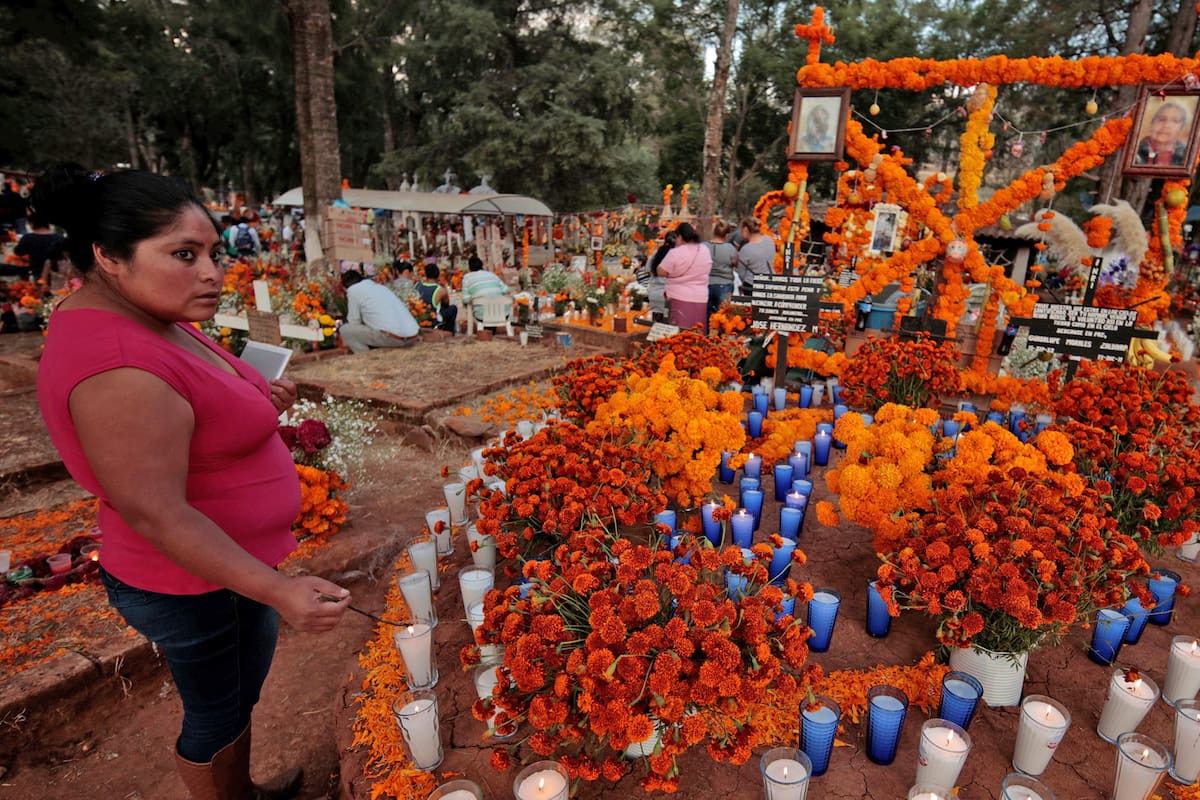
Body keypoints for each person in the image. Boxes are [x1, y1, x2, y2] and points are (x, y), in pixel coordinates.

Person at [31, 162, 351, 800]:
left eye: (212, 253)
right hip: (193, 582)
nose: (212, 272)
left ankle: (241, 790)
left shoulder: (151, 316)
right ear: (108, 255)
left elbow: (197, 405)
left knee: (235, 698)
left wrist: (259, 400)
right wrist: (278, 590)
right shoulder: (116, 368)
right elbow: (156, 512)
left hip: (226, 570)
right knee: (219, 710)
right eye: (184, 254)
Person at [340, 268, 420, 352]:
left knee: (346, 330)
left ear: (345, 287)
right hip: (413, 337)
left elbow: (354, 322)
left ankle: (365, 356)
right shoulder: (381, 287)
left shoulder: (353, 290)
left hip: (394, 339)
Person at [657, 222, 712, 331]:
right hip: (701, 297)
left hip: (679, 296)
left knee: (679, 332)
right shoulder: (704, 249)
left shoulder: (675, 252)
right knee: (697, 331)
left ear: (680, 236)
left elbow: (661, 271)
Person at [13, 214, 66, 289]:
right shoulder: (59, 237)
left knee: (44, 292)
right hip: (58, 272)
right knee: (60, 292)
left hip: (38, 272)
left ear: (32, 224)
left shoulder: (28, 238)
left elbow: (18, 252)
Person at [1134, 101, 1189, 167]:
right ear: (1152, 124)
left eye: (1175, 121)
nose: (1166, 125)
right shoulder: (1134, 149)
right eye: (1161, 119)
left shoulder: (1186, 155)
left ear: (1181, 129)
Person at [638, 230, 676, 322]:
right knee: (669, 325)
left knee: (656, 324)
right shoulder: (676, 255)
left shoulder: (656, 253)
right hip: (670, 296)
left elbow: (648, 270)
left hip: (654, 294)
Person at [460, 255, 508, 325]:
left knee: (471, 306)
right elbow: (506, 290)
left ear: (469, 268)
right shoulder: (492, 275)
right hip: (503, 314)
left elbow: (465, 299)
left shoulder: (466, 278)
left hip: (482, 316)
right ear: (482, 266)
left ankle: (477, 328)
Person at [736, 218, 776, 296]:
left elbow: (741, 273)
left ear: (745, 230)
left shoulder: (746, 249)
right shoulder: (769, 240)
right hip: (770, 282)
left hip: (752, 285)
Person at [706, 220, 737, 317]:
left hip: (705, 283)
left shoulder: (704, 246)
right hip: (724, 284)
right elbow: (735, 263)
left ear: (714, 232)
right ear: (727, 235)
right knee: (722, 316)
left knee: (705, 315)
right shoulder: (730, 248)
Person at [416, 263, 458, 335]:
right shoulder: (440, 290)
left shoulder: (417, 285)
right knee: (453, 308)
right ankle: (449, 332)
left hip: (418, 318)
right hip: (432, 320)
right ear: (438, 275)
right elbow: (446, 303)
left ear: (425, 274)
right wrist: (444, 286)